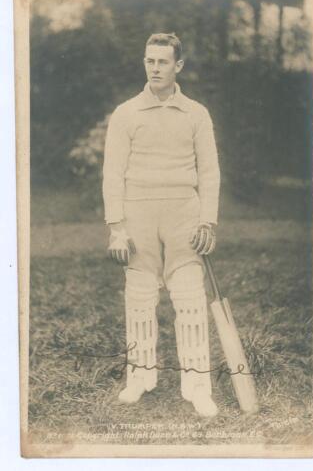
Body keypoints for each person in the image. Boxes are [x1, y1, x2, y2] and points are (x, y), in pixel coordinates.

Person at [102, 32, 220, 417]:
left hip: (183, 211)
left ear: (178, 65)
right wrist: (116, 226)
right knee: (139, 298)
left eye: (163, 61)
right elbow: (112, 173)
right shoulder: (125, 113)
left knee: (189, 298)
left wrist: (208, 222)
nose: (155, 68)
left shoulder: (196, 113)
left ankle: (198, 384)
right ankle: (140, 377)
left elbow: (210, 172)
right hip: (138, 211)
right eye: (149, 61)